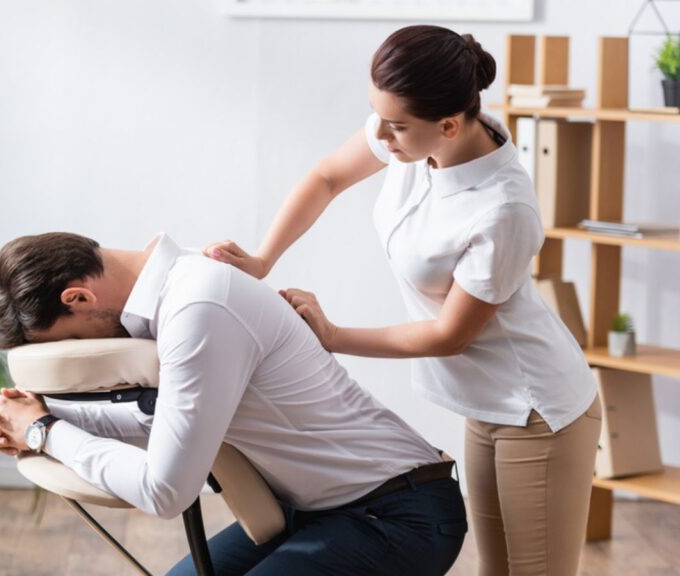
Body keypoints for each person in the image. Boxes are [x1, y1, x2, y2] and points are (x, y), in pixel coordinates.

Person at [204, 24, 601, 576]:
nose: (380, 136)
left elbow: (449, 335)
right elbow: (325, 177)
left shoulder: (503, 209)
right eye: (378, 116)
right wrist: (264, 258)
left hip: (539, 409)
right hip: (486, 401)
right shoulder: (417, 137)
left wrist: (335, 336)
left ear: (447, 124)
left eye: (395, 127)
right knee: (495, 569)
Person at [0, 232, 466, 575]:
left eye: (71, 338)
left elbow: (165, 491)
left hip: (400, 514)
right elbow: (160, 418)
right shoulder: (179, 294)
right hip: (313, 508)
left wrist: (44, 433)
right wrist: (34, 414)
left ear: (77, 298)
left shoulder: (198, 307)